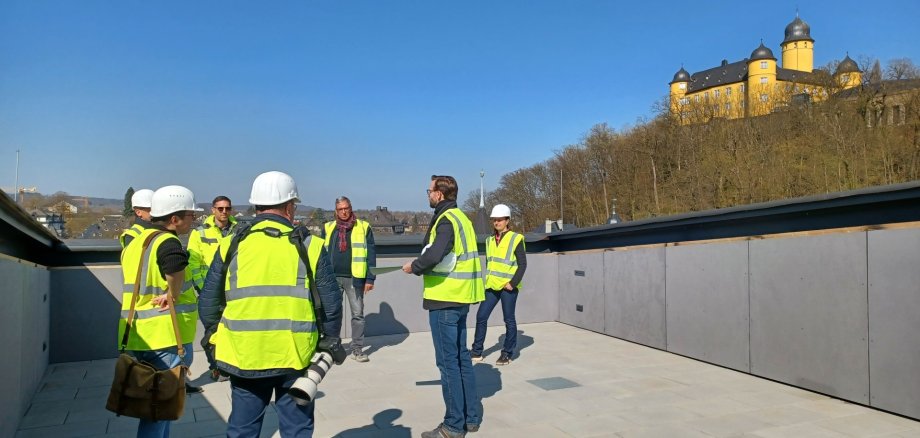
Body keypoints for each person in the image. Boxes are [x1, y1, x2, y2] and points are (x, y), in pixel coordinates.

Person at [198, 171, 343, 438]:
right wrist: (330, 340)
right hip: (295, 355)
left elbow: (208, 301)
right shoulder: (310, 245)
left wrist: (212, 334)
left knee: (243, 429)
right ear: (289, 206)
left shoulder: (230, 244)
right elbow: (332, 303)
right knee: (296, 428)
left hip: (244, 355)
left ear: (256, 206)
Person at [402, 175, 484, 438]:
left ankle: (452, 426)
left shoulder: (446, 220)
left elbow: (436, 254)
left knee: (448, 363)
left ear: (439, 194)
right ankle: (470, 418)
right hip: (461, 298)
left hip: (445, 299)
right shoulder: (463, 219)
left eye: (429, 190)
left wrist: (414, 266)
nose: (427, 194)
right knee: (461, 360)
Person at [117, 185, 202, 438]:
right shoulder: (167, 240)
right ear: (174, 219)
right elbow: (175, 265)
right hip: (163, 336)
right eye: (191, 216)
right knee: (159, 410)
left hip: (138, 332)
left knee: (156, 408)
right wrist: (172, 295)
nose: (194, 221)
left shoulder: (136, 241)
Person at [187, 196, 238, 381]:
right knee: (212, 332)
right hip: (210, 292)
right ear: (213, 210)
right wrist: (204, 288)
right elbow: (193, 263)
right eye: (220, 208)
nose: (224, 212)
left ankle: (231, 366)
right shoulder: (199, 233)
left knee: (233, 330)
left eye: (227, 208)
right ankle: (216, 368)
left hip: (233, 291)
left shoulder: (239, 231)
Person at [321, 196, 376, 362]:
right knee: (332, 314)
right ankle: (332, 347)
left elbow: (371, 255)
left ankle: (357, 350)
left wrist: (370, 279)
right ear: (335, 211)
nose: (344, 212)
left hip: (355, 278)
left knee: (357, 314)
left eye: (346, 208)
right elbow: (321, 254)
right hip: (332, 278)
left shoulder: (364, 227)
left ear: (350, 208)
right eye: (340, 209)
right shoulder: (328, 228)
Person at [470, 204, 527, 366]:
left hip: (508, 287)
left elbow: (523, 264)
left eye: (500, 220)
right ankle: (476, 351)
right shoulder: (489, 241)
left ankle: (507, 353)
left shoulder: (516, 239)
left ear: (507, 220)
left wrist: (512, 283)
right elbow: (491, 263)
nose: (497, 222)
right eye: (494, 220)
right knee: (481, 316)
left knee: (508, 319)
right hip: (491, 286)